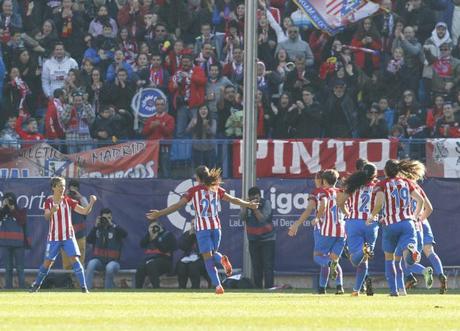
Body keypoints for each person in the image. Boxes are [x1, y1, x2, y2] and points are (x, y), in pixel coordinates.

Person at [146, 166, 259, 294]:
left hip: (203, 228)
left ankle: (218, 286)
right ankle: (221, 260)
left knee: (207, 259)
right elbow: (233, 200)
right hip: (216, 227)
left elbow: (178, 205)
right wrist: (249, 205)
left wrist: (159, 213)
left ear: (198, 178)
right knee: (213, 254)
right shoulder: (216, 189)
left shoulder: (193, 191)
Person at [365, 160, 425, 296]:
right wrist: (415, 216)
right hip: (407, 223)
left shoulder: (381, 184)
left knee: (389, 259)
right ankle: (411, 249)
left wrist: (372, 216)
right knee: (408, 258)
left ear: (385, 171)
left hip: (390, 224)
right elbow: (420, 200)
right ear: (398, 170)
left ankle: (394, 291)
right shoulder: (407, 182)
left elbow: (379, 203)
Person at [30, 177, 97, 293]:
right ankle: (36, 285)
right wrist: (52, 211)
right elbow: (46, 216)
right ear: (53, 187)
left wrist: (91, 203)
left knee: (75, 260)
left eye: (64, 186)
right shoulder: (48, 201)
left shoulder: (67, 200)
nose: (63, 188)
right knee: (47, 263)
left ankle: (84, 288)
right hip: (54, 238)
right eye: (60, 186)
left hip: (68, 237)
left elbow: (84, 211)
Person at [338, 163, 380, 296]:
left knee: (355, 260)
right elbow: (381, 204)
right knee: (364, 259)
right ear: (374, 175)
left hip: (354, 222)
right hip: (371, 223)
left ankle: (363, 251)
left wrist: (347, 213)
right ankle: (356, 290)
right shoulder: (377, 187)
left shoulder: (353, 186)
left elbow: (340, 202)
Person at [314, 170, 346, 295]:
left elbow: (324, 204)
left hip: (328, 231)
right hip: (342, 231)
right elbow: (346, 209)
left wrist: (318, 217)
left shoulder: (324, 192)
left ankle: (329, 265)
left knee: (318, 256)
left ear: (324, 181)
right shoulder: (341, 192)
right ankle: (338, 287)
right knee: (334, 259)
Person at [240, 186, 275, 289]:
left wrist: (255, 209)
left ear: (260, 196)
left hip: (268, 239)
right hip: (253, 240)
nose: (255, 200)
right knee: (256, 266)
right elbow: (242, 218)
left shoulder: (266, 203)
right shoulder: (248, 205)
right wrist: (245, 205)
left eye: (256, 198)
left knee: (268, 266)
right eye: (252, 199)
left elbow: (263, 219)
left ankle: (269, 288)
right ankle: (258, 289)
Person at [85, 208, 128, 289]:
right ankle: (86, 289)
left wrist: (112, 224)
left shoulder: (115, 228)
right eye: (105, 218)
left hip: (113, 262)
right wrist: (95, 226)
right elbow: (89, 240)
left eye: (109, 218)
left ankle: (108, 291)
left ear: (111, 218)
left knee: (109, 267)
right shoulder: (97, 229)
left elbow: (125, 234)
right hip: (99, 261)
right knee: (91, 264)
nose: (107, 220)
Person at [135, 220, 177, 288]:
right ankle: (138, 290)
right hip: (150, 259)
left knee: (151, 265)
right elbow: (142, 244)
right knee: (140, 267)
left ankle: (156, 288)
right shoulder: (149, 236)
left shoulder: (168, 235)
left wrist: (155, 239)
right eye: (151, 227)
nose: (154, 229)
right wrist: (149, 234)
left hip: (165, 260)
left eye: (155, 226)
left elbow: (164, 249)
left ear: (160, 226)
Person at [0, 192, 28, 288]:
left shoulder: (21, 211)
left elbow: (22, 221)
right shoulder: (2, 212)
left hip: (18, 243)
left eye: (11, 200)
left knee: (20, 267)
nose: (9, 202)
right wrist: (3, 206)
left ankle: (22, 287)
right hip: (5, 243)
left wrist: (12, 209)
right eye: (7, 200)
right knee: (8, 268)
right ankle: (8, 287)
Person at [61, 180, 88, 271]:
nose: (73, 191)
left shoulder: (81, 199)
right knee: (67, 264)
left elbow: (87, 209)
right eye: (71, 188)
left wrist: (79, 196)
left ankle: (80, 284)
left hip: (79, 236)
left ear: (78, 189)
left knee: (80, 262)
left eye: (75, 188)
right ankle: (67, 283)